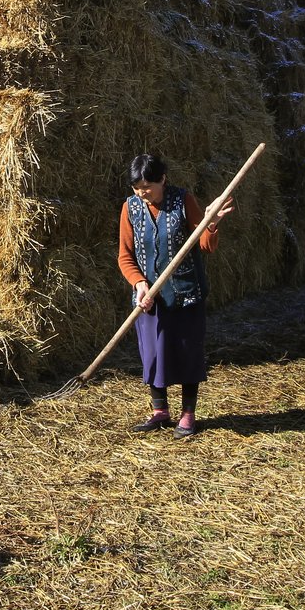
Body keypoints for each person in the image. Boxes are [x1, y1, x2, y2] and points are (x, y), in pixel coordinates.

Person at [117, 154, 234, 437]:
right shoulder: (130, 208)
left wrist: (211, 223)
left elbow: (205, 246)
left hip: (185, 294)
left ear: (163, 180)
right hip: (150, 300)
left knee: (187, 353)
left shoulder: (183, 201)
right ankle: (160, 411)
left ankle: (188, 414)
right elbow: (125, 256)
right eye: (137, 188)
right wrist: (139, 284)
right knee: (153, 354)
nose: (142, 193)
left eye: (147, 186)